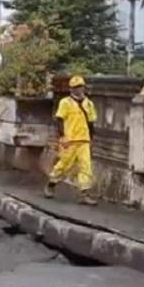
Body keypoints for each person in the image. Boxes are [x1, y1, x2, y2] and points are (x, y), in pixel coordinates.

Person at [44, 75, 98, 205]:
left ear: (84, 88)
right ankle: (51, 183)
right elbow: (59, 120)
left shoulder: (89, 104)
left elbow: (91, 122)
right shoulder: (65, 102)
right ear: (71, 89)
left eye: (80, 87)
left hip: (83, 140)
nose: (78, 90)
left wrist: (91, 138)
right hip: (70, 140)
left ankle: (84, 193)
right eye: (75, 87)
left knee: (86, 168)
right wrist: (62, 136)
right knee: (63, 165)